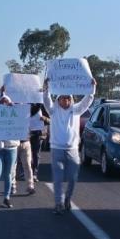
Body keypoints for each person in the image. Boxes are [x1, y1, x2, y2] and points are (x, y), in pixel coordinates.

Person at [43, 78, 96, 215]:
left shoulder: (76, 110)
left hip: (72, 150)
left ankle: (67, 199)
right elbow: (46, 100)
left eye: (67, 98)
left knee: (73, 178)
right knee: (58, 179)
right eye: (62, 98)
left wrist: (92, 87)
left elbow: (88, 100)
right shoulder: (53, 111)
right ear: (58, 99)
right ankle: (58, 204)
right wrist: (46, 87)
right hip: (57, 149)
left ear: (70, 99)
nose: (65, 100)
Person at [0, 95, 21, 208]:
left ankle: (6, 198)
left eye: (6, 101)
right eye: (2, 101)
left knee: (8, 174)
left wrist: (15, 108)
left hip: (11, 148)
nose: (4, 103)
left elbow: (23, 114)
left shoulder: (15, 112)